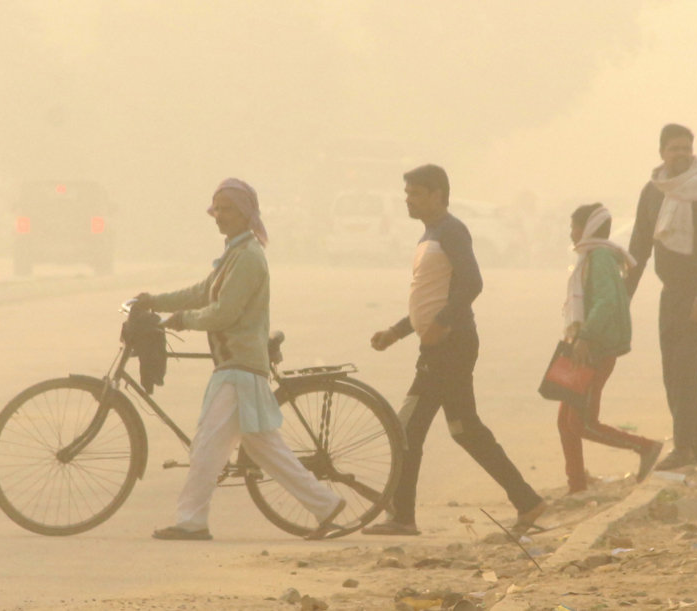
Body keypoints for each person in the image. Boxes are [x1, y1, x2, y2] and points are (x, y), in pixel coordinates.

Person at [138, 179, 346, 541]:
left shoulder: (248, 256)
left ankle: (191, 521)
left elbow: (224, 312)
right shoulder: (235, 253)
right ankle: (326, 505)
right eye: (217, 209)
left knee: (207, 445)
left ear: (246, 213)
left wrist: (183, 320)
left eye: (228, 209)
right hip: (236, 366)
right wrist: (156, 301)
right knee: (265, 449)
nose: (219, 216)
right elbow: (202, 292)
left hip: (238, 367)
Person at [366, 165, 546, 535]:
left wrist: (443, 323)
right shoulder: (430, 234)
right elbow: (430, 298)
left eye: (416, 194)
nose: (408, 200)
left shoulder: (451, 230)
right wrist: (396, 332)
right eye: (407, 193)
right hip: (445, 344)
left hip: (450, 346)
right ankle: (528, 502)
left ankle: (402, 517)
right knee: (466, 430)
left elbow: (472, 283)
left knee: (406, 428)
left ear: (438, 195)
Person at [627, 124, 697, 471]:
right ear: (662, 153)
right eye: (674, 149)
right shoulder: (653, 192)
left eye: (686, 148)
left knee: (685, 370)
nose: (681, 154)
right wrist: (622, 297)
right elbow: (639, 247)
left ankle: (683, 447)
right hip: (671, 294)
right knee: (672, 374)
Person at [559, 203, 664, 494]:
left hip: (595, 348)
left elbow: (605, 302)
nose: (571, 233)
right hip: (583, 345)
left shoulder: (601, 258)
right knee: (565, 421)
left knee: (582, 423)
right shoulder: (592, 256)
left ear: (588, 228)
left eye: (574, 227)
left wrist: (586, 336)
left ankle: (646, 447)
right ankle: (576, 485)